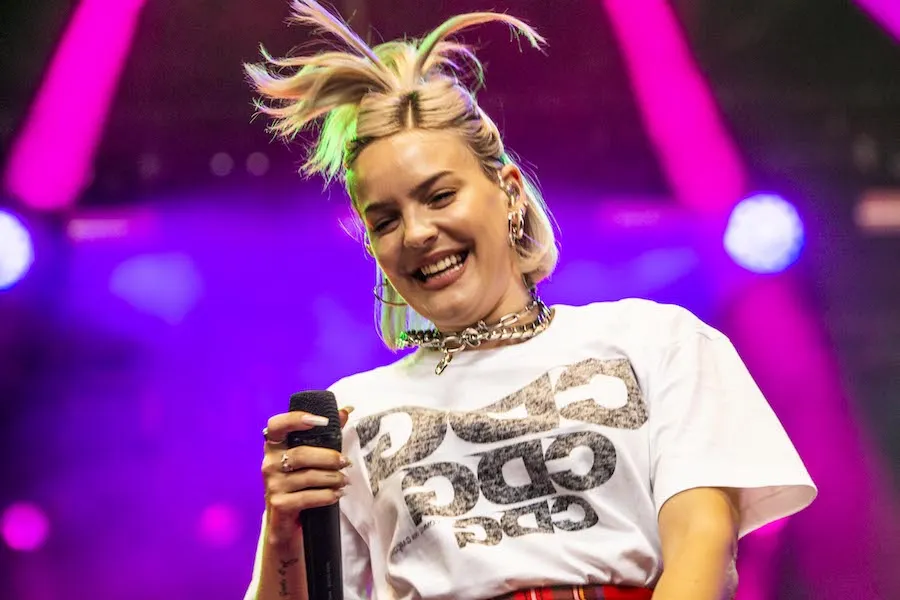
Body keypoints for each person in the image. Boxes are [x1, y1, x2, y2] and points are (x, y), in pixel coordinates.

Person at [242, 2, 817, 599]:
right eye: (385, 220)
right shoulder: (350, 415)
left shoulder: (657, 341)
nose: (416, 233)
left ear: (509, 192)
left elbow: (702, 544)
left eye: (439, 196)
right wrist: (283, 533)